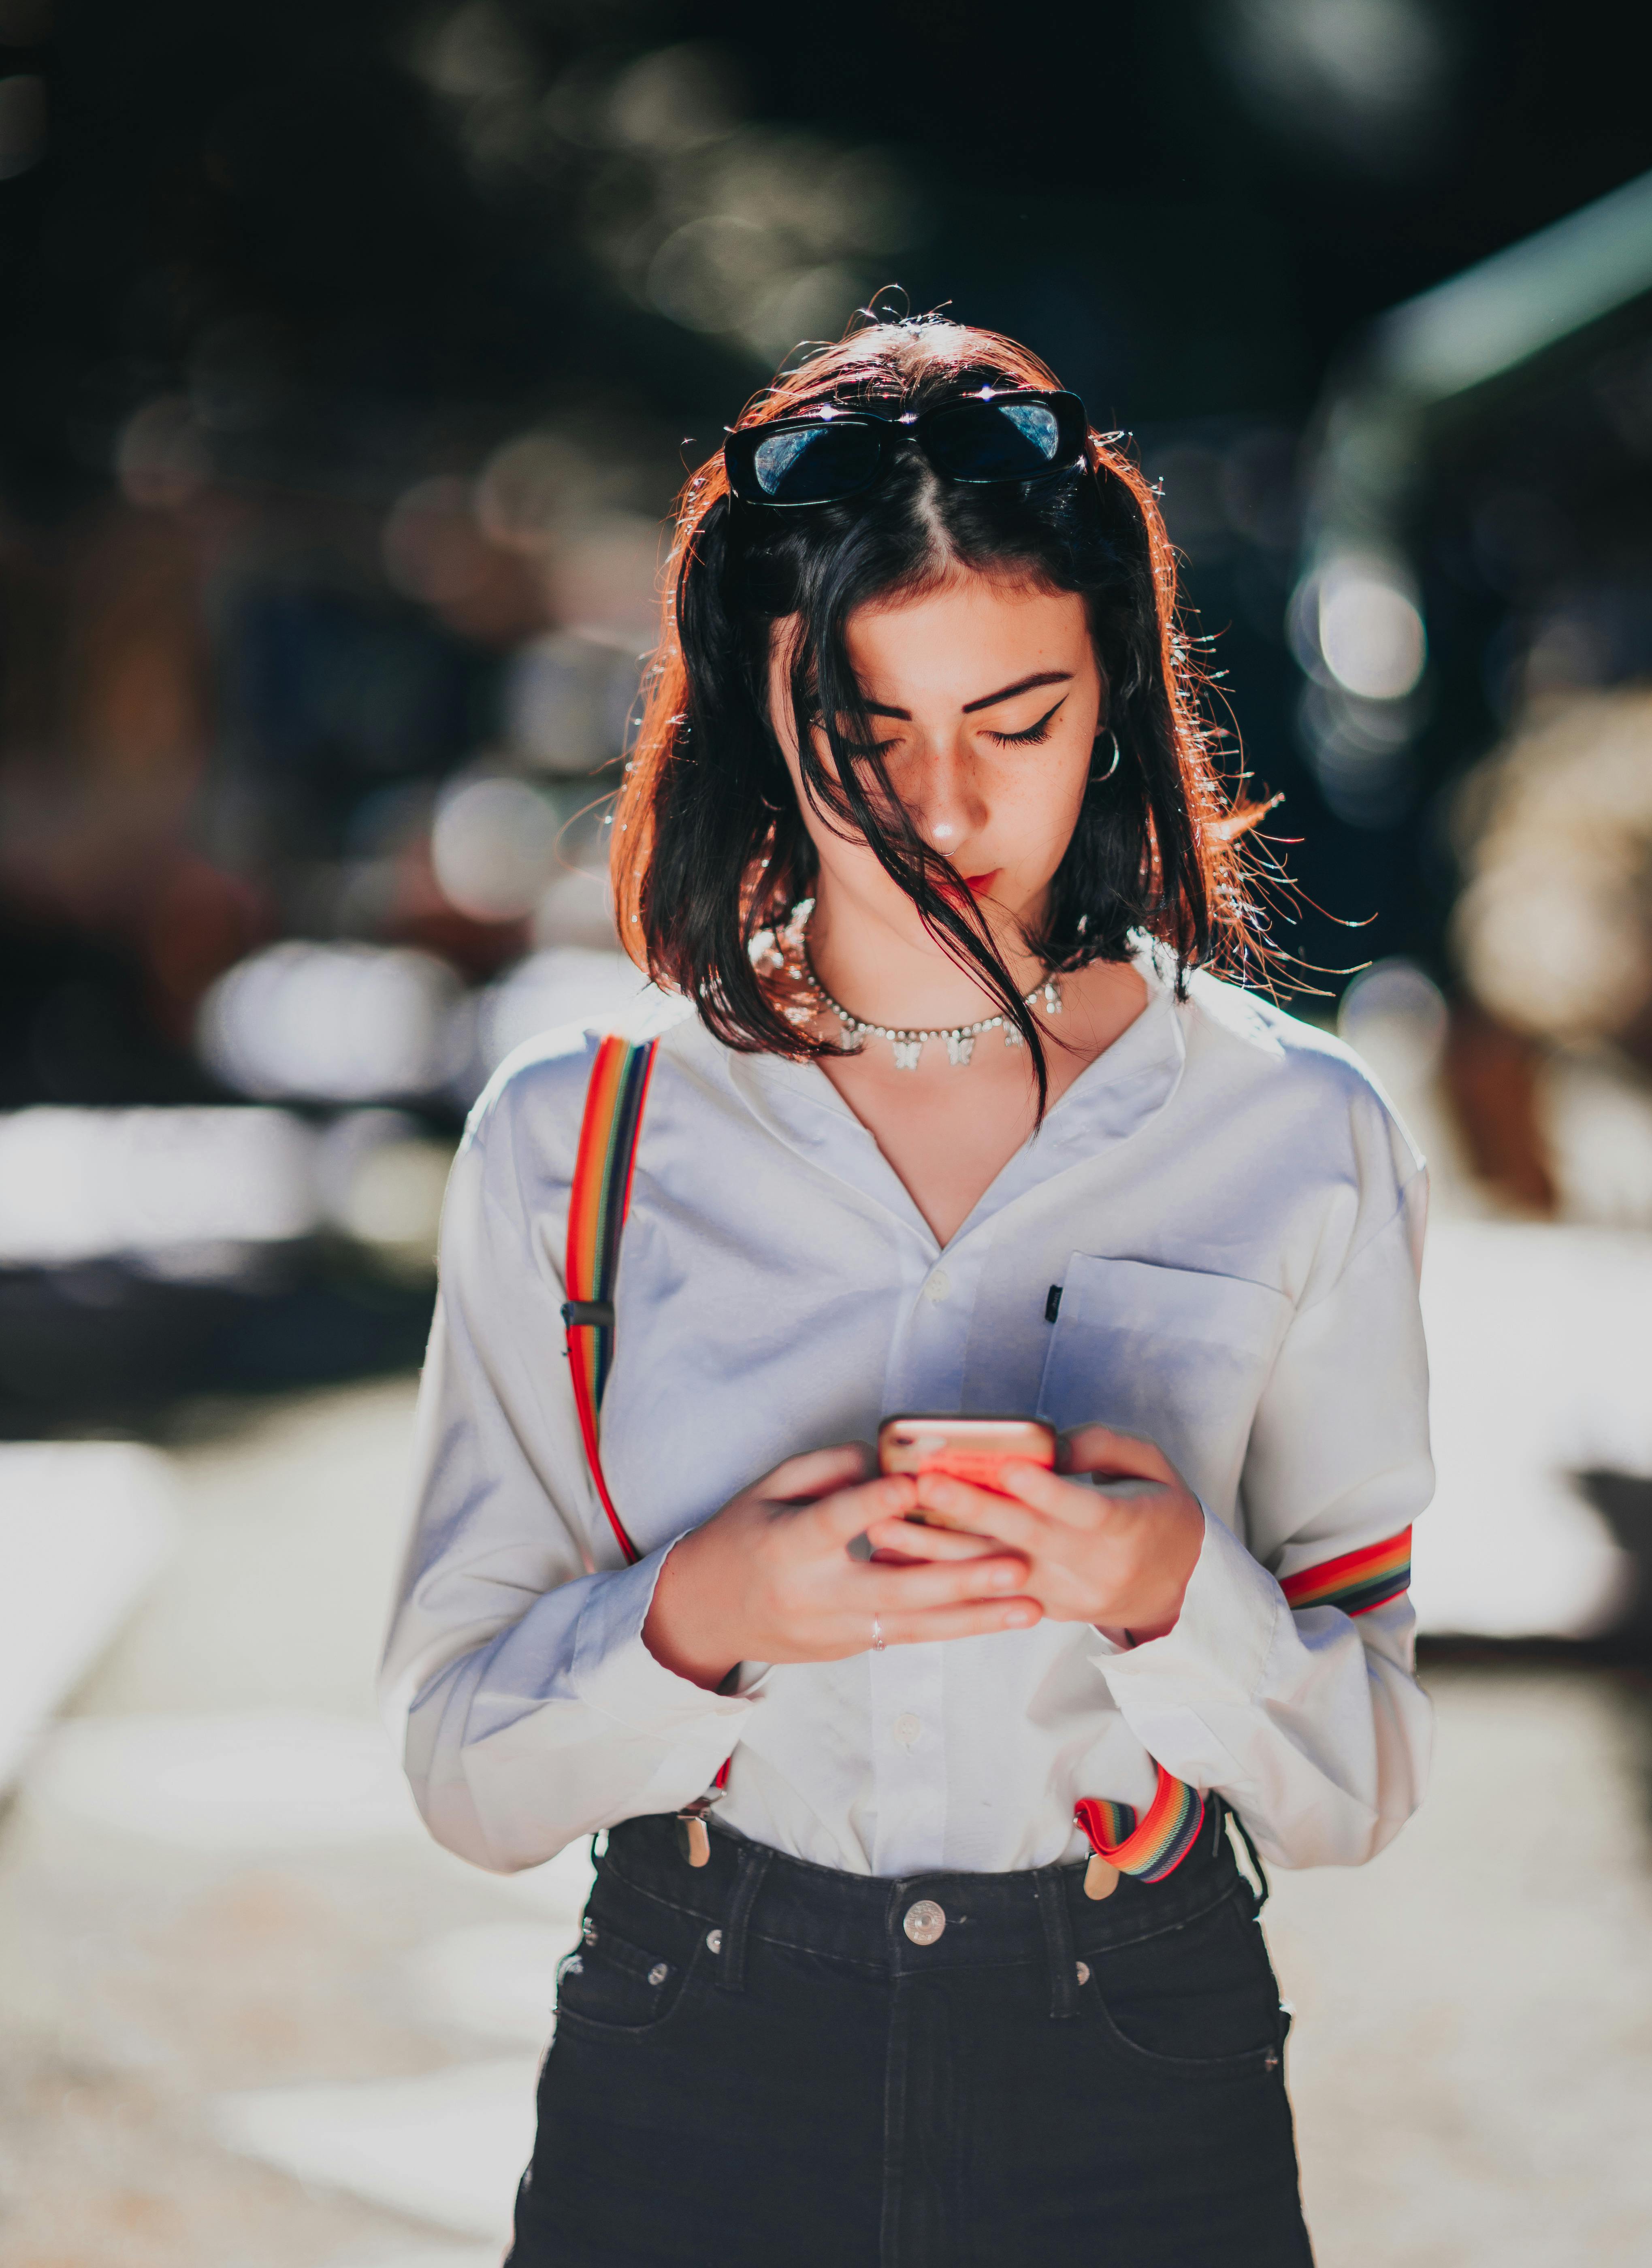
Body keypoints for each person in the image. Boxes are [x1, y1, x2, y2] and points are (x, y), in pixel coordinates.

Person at [380, 316, 1434, 2268]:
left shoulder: (1297, 1131)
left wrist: (1161, 1587)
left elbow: (1360, 1773)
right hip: (692, 2055)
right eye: (866, 732)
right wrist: (705, 1613)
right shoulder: (572, 1139)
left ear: (1113, 689)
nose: (939, 806)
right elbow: (462, 1766)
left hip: (1144, 2051)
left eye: (1014, 720)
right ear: (752, 703)